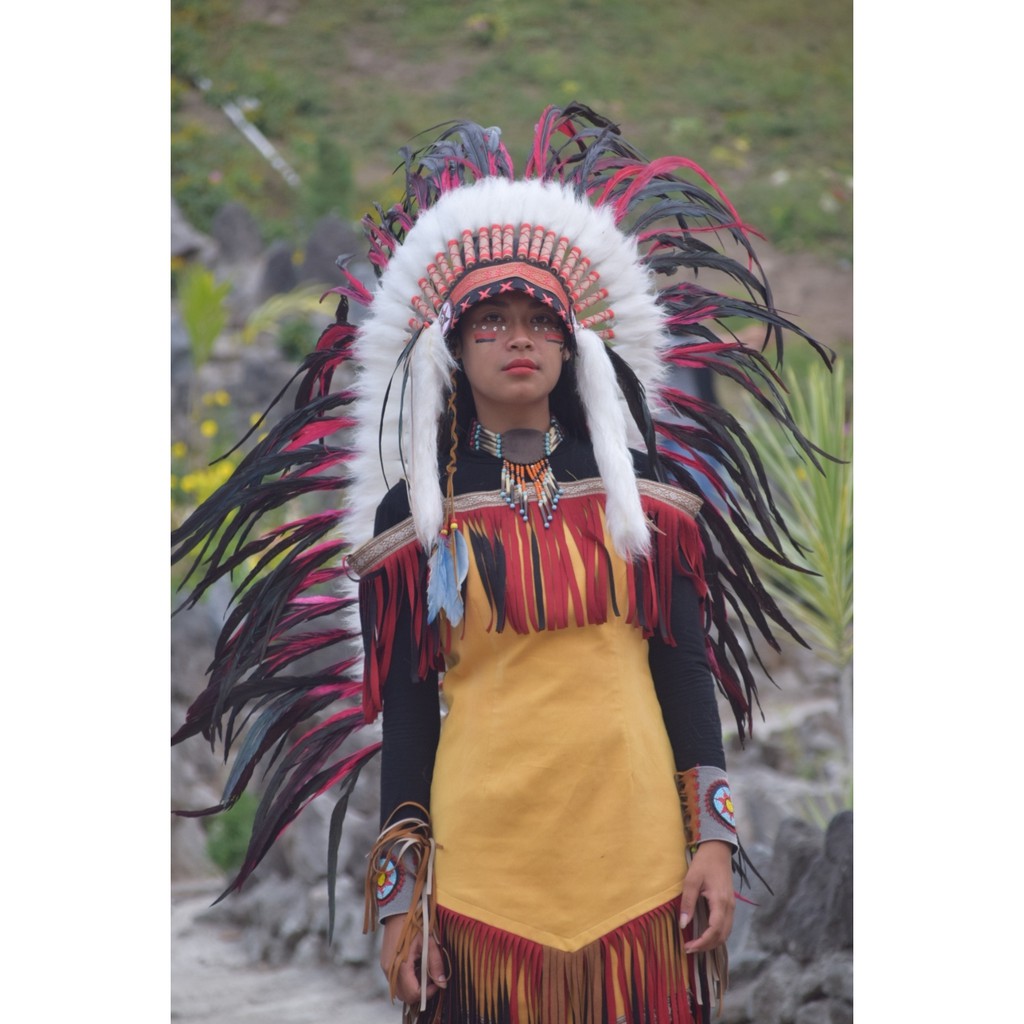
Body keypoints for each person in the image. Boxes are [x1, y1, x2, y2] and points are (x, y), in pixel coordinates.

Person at [171, 103, 832, 1024]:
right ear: (452, 347)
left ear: (572, 345)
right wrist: (404, 902)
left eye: (539, 320)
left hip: (636, 853)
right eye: (492, 322)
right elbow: (406, 717)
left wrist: (713, 843)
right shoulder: (415, 520)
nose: (519, 338)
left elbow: (684, 670)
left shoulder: (645, 494)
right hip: (486, 871)